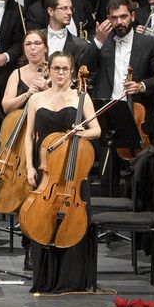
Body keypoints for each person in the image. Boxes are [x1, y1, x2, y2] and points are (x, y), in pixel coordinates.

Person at [18, 51, 102, 293]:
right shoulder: (36, 99)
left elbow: (96, 130)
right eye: (57, 69)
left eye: (66, 69)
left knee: (73, 217)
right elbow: (29, 136)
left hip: (73, 168)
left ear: (72, 71)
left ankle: (71, 279)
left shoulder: (81, 97)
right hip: (45, 168)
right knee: (41, 217)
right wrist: (29, 167)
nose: (61, 73)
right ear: (49, 70)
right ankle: (44, 278)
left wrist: (80, 132)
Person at [91, 0, 154, 166]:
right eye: (114, 18)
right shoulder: (102, 41)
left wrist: (141, 86)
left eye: (123, 17)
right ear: (108, 19)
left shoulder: (150, 44)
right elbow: (84, 66)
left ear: (133, 16)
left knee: (138, 172)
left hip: (137, 113)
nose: (119, 22)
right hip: (108, 112)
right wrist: (98, 41)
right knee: (106, 172)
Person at [42, 0, 97, 74]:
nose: (70, 13)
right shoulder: (36, 38)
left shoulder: (81, 45)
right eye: (64, 8)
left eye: (71, 8)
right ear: (50, 11)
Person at [2, 30, 52, 115]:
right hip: (22, 125)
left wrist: (47, 90)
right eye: (28, 44)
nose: (32, 47)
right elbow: (6, 107)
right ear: (24, 48)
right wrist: (27, 94)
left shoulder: (56, 70)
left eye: (37, 43)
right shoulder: (16, 74)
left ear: (46, 48)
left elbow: (66, 103)